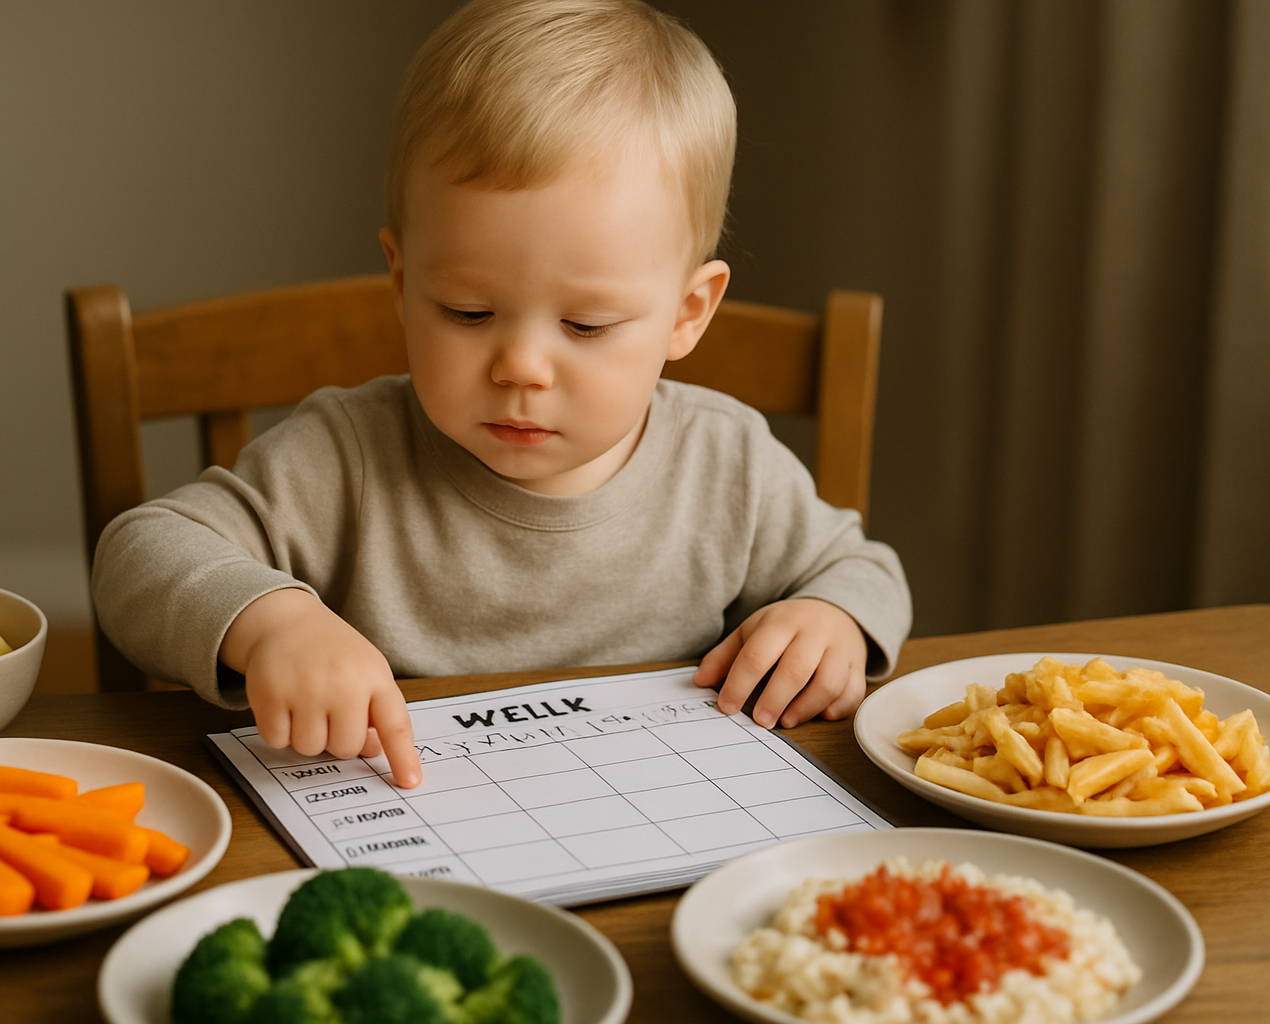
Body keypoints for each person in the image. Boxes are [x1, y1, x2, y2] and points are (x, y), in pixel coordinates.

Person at [91, 0, 911, 790]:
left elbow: (862, 569)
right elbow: (139, 552)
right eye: (467, 312)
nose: (521, 367)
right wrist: (271, 624)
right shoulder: (346, 457)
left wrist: (833, 618)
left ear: (687, 314)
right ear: (403, 282)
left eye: (586, 325)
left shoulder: (726, 463)